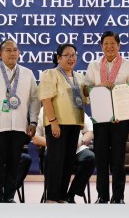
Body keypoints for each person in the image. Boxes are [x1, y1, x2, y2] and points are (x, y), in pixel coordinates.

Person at [0, 38, 39, 203]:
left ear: (19, 53)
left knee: (14, 162)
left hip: (19, 126)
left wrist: (33, 122)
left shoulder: (27, 73)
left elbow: (35, 99)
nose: (12, 54)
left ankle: (10, 195)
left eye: (15, 50)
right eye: (8, 50)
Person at [84, 31, 129, 204]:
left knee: (118, 159)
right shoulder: (93, 66)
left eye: (112, 44)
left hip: (120, 120)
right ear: (101, 46)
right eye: (106, 44)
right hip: (100, 119)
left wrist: (120, 110)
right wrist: (99, 86)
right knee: (101, 159)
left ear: (119, 45)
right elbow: (86, 90)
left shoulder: (128, 65)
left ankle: (118, 197)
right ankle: (102, 196)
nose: (109, 47)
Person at [38, 43, 87, 203]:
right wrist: (53, 122)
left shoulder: (80, 77)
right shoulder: (51, 74)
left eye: (74, 54)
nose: (71, 58)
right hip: (57, 124)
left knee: (68, 161)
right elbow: (46, 99)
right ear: (59, 58)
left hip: (75, 125)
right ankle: (51, 196)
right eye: (67, 55)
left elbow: (85, 99)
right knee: (56, 160)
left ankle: (61, 196)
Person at [33, 108, 95, 203]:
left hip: (76, 148)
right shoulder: (43, 110)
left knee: (90, 158)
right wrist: (57, 144)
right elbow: (36, 138)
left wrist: (81, 142)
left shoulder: (74, 105)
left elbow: (90, 131)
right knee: (50, 157)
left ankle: (71, 194)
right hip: (53, 148)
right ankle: (53, 194)